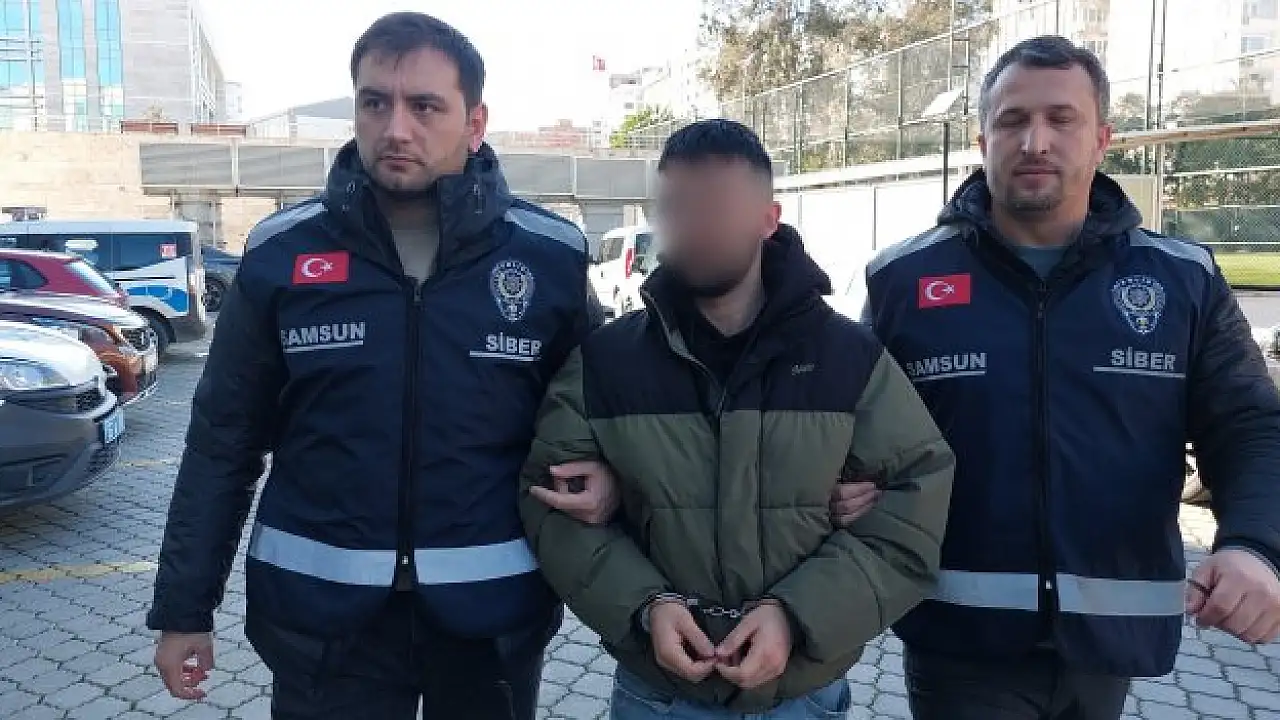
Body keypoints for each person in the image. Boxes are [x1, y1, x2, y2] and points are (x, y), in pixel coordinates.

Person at [146, 12, 616, 719]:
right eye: (375, 102)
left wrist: (613, 478)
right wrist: (185, 608)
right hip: (321, 625)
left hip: (491, 618)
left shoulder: (548, 255)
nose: (396, 128)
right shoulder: (280, 253)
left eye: (424, 106)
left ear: (475, 122)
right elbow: (222, 441)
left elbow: (607, 412)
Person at [831, 35, 1280, 720]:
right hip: (958, 643)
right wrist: (841, 485)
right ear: (983, 141)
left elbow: (1249, 423)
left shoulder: (1182, 280)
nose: (1034, 141)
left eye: (1061, 119)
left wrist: (1255, 546)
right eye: (1012, 120)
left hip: (1111, 643)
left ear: (1102, 140)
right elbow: (847, 428)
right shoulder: (903, 279)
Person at [518, 119, 956, 719]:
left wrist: (799, 615)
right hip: (656, 696)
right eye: (677, 208)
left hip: (802, 696)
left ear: (768, 219)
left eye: (718, 208)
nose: (696, 227)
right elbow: (551, 504)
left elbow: (916, 497)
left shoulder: (850, 360)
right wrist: (644, 605)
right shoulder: (603, 363)